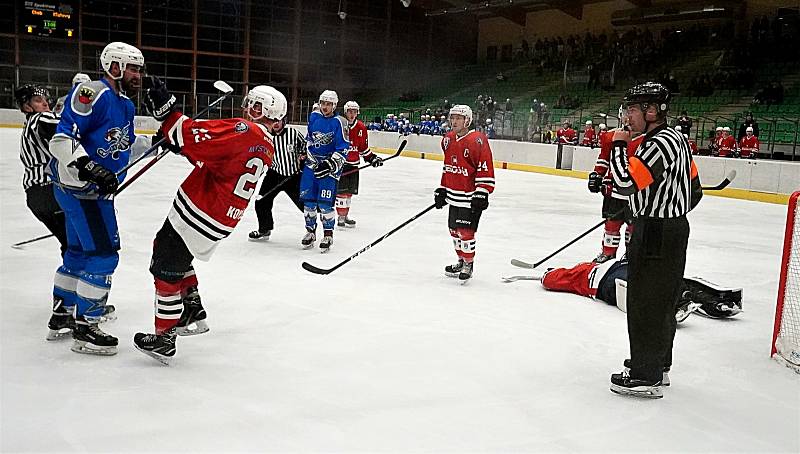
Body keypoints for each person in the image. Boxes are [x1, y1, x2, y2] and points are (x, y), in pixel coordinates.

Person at [132, 77, 279, 364]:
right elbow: (213, 160)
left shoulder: (244, 130)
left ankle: (164, 338)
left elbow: (190, 132)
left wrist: (167, 110)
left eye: (256, 106)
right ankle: (192, 309)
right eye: (250, 104)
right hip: (219, 218)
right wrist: (184, 148)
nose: (249, 109)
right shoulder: (265, 145)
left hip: (198, 212)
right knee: (175, 257)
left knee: (164, 270)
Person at [47, 41, 147, 355]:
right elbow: (61, 141)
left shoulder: (126, 105)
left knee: (78, 251)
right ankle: (86, 327)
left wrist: (164, 141)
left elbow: (120, 146)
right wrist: (89, 167)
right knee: (104, 256)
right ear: (114, 66)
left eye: (140, 69)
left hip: (95, 192)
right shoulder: (92, 92)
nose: (138, 75)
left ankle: (62, 315)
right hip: (83, 191)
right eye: (133, 68)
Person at [608, 81, 702, 398]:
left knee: (645, 302)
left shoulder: (656, 144)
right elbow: (696, 190)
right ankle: (657, 364)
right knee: (662, 301)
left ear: (652, 111)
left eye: (633, 110)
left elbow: (624, 184)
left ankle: (645, 374)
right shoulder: (677, 138)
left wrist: (618, 146)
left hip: (656, 232)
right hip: (672, 229)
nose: (626, 118)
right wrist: (667, 208)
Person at [538, 257, 741, 324]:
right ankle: (702, 297)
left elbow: (550, 280)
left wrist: (546, 274)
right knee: (656, 278)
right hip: (619, 270)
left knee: (641, 287)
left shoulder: (577, 272)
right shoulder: (585, 268)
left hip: (606, 283)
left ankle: (680, 299)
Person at [433, 105, 495, 283]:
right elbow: (448, 167)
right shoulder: (447, 139)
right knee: (454, 231)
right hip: (454, 195)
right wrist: (443, 188)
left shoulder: (478, 140)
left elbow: (485, 166)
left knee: (465, 232)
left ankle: (469, 263)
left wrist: (482, 191)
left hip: (470, 197)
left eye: (458, 118)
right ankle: (460, 260)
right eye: (452, 118)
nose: (454, 121)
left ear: (467, 120)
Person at [247, 86, 306, 241]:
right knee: (261, 201)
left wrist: (303, 157)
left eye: (279, 120)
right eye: (274, 120)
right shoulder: (264, 135)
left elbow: (306, 148)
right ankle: (264, 229)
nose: (277, 123)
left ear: (283, 120)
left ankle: (317, 227)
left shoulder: (294, 134)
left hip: (293, 176)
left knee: (306, 206)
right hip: (274, 175)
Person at [16, 84, 68, 256]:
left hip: (35, 196)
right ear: (26, 106)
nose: (45, 104)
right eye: (38, 101)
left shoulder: (28, 127)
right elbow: (68, 130)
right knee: (81, 247)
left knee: (70, 246)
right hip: (50, 191)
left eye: (46, 100)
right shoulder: (40, 119)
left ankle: (70, 281)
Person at [300, 90, 349, 251]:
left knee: (325, 204)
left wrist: (329, 164)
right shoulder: (314, 117)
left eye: (328, 104)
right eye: (323, 103)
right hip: (312, 165)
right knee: (308, 202)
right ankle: (310, 232)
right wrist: (306, 156)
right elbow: (309, 140)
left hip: (329, 168)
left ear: (334, 105)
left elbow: (343, 148)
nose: (325, 107)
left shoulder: (339, 122)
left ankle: (328, 235)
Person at [588, 123, 643, 263]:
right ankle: (608, 253)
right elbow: (604, 158)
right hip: (613, 191)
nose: (629, 118)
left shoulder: (648, 141)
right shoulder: (611, 136)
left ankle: (630, 255)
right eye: (627, 112)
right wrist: (597, 175)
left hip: (635, 193)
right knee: (611, 224)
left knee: (633, 226)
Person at [335, 100, 383, 228]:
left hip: (354, 165)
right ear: (345, 112)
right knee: (341, 192)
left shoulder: (361, 127)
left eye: (354, 112)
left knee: (349, 193)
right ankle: (340, 216)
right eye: (350, 111)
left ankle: (345, 216)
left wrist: (372, 158)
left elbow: (363, 148)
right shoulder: (339, 124)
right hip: (341, 164)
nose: (352, 114)